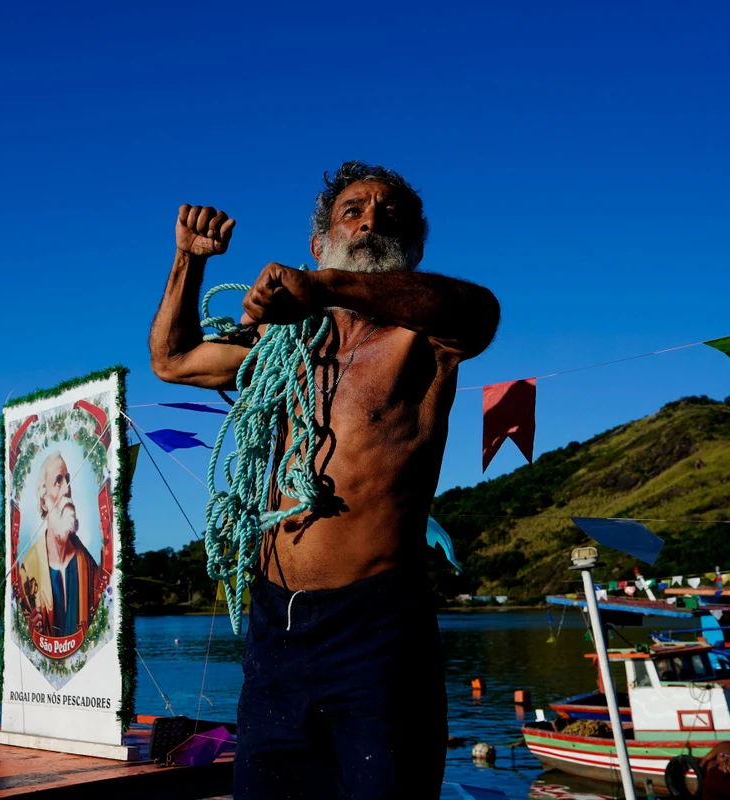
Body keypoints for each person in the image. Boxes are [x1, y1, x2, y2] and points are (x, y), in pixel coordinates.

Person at [149, 161, 500, 799]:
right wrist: (187, 259)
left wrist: (326, 286)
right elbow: (171, 360)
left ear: (416, 248)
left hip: (378, 629)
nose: (371, 221)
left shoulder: (427, 338)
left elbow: (480, 312)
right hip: (273, 632)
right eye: (354, 211)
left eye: (390, 214)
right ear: (319, 241)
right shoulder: (281, 345)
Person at [17, 451, 103, 638]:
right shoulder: (28, 570)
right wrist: (32, 627)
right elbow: (22, 631)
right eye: (58, 481)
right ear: (44, 501)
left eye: (68, 479)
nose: (67, 489)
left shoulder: (88, 565)